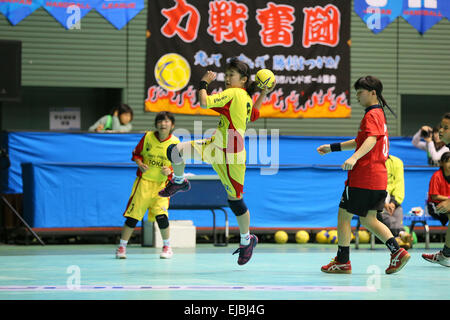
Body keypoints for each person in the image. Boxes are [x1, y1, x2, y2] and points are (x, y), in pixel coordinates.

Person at [157, 57, 275, 265]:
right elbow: (254, 114)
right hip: (215, 146)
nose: (227, 79)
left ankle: (247, 240)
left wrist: (203, 83)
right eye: (226, 75)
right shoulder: (245, 97)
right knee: (175, 151)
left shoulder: (235, 94)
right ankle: (178, 180)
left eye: (232, 76)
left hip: (231, 157)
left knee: (235, 200)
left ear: (244, 79)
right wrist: (264, 93)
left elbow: (204, 101)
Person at [317, 75, 410, 275]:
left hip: (364, 177)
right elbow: (361, 140)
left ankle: (342, 261)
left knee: (343, 216)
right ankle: (397, 252)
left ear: (373, 93)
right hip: (377, 178)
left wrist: (354, 158)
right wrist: (331, 148)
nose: (357, 96)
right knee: (369, 220)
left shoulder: (372, 114)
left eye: (361, 92)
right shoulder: (378, 114)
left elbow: (372, 140)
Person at [115, 111, 179, 259]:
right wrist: (140, 163)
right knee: (132, 217)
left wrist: (169, 170)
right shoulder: (148, 137)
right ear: (156, 124)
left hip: (162, 186)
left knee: (162, 217)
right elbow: (136, 154)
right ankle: (122, 247)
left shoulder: (175, 142)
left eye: (167, 121)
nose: (163, 124)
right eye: (160, 121)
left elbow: (177, 166)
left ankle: (167, 246)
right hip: (143, 184)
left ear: (172, 125)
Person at [422, 146, 450, 267]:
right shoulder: (437, 176)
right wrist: (448, 199)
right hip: (434, 206)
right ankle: (445, 254)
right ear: (442, 163)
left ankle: (445, 253)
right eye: (447, 161)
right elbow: (434, 196)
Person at [377, 155, 413, 249]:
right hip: (375, 201)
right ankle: (402, 233)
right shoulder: (371, 162)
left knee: (398, 210)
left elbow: (399, 185)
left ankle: (398, 239)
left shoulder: (397, 162)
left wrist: (393, 203)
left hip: (390, 199)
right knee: (382, 213)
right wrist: (383, 204)